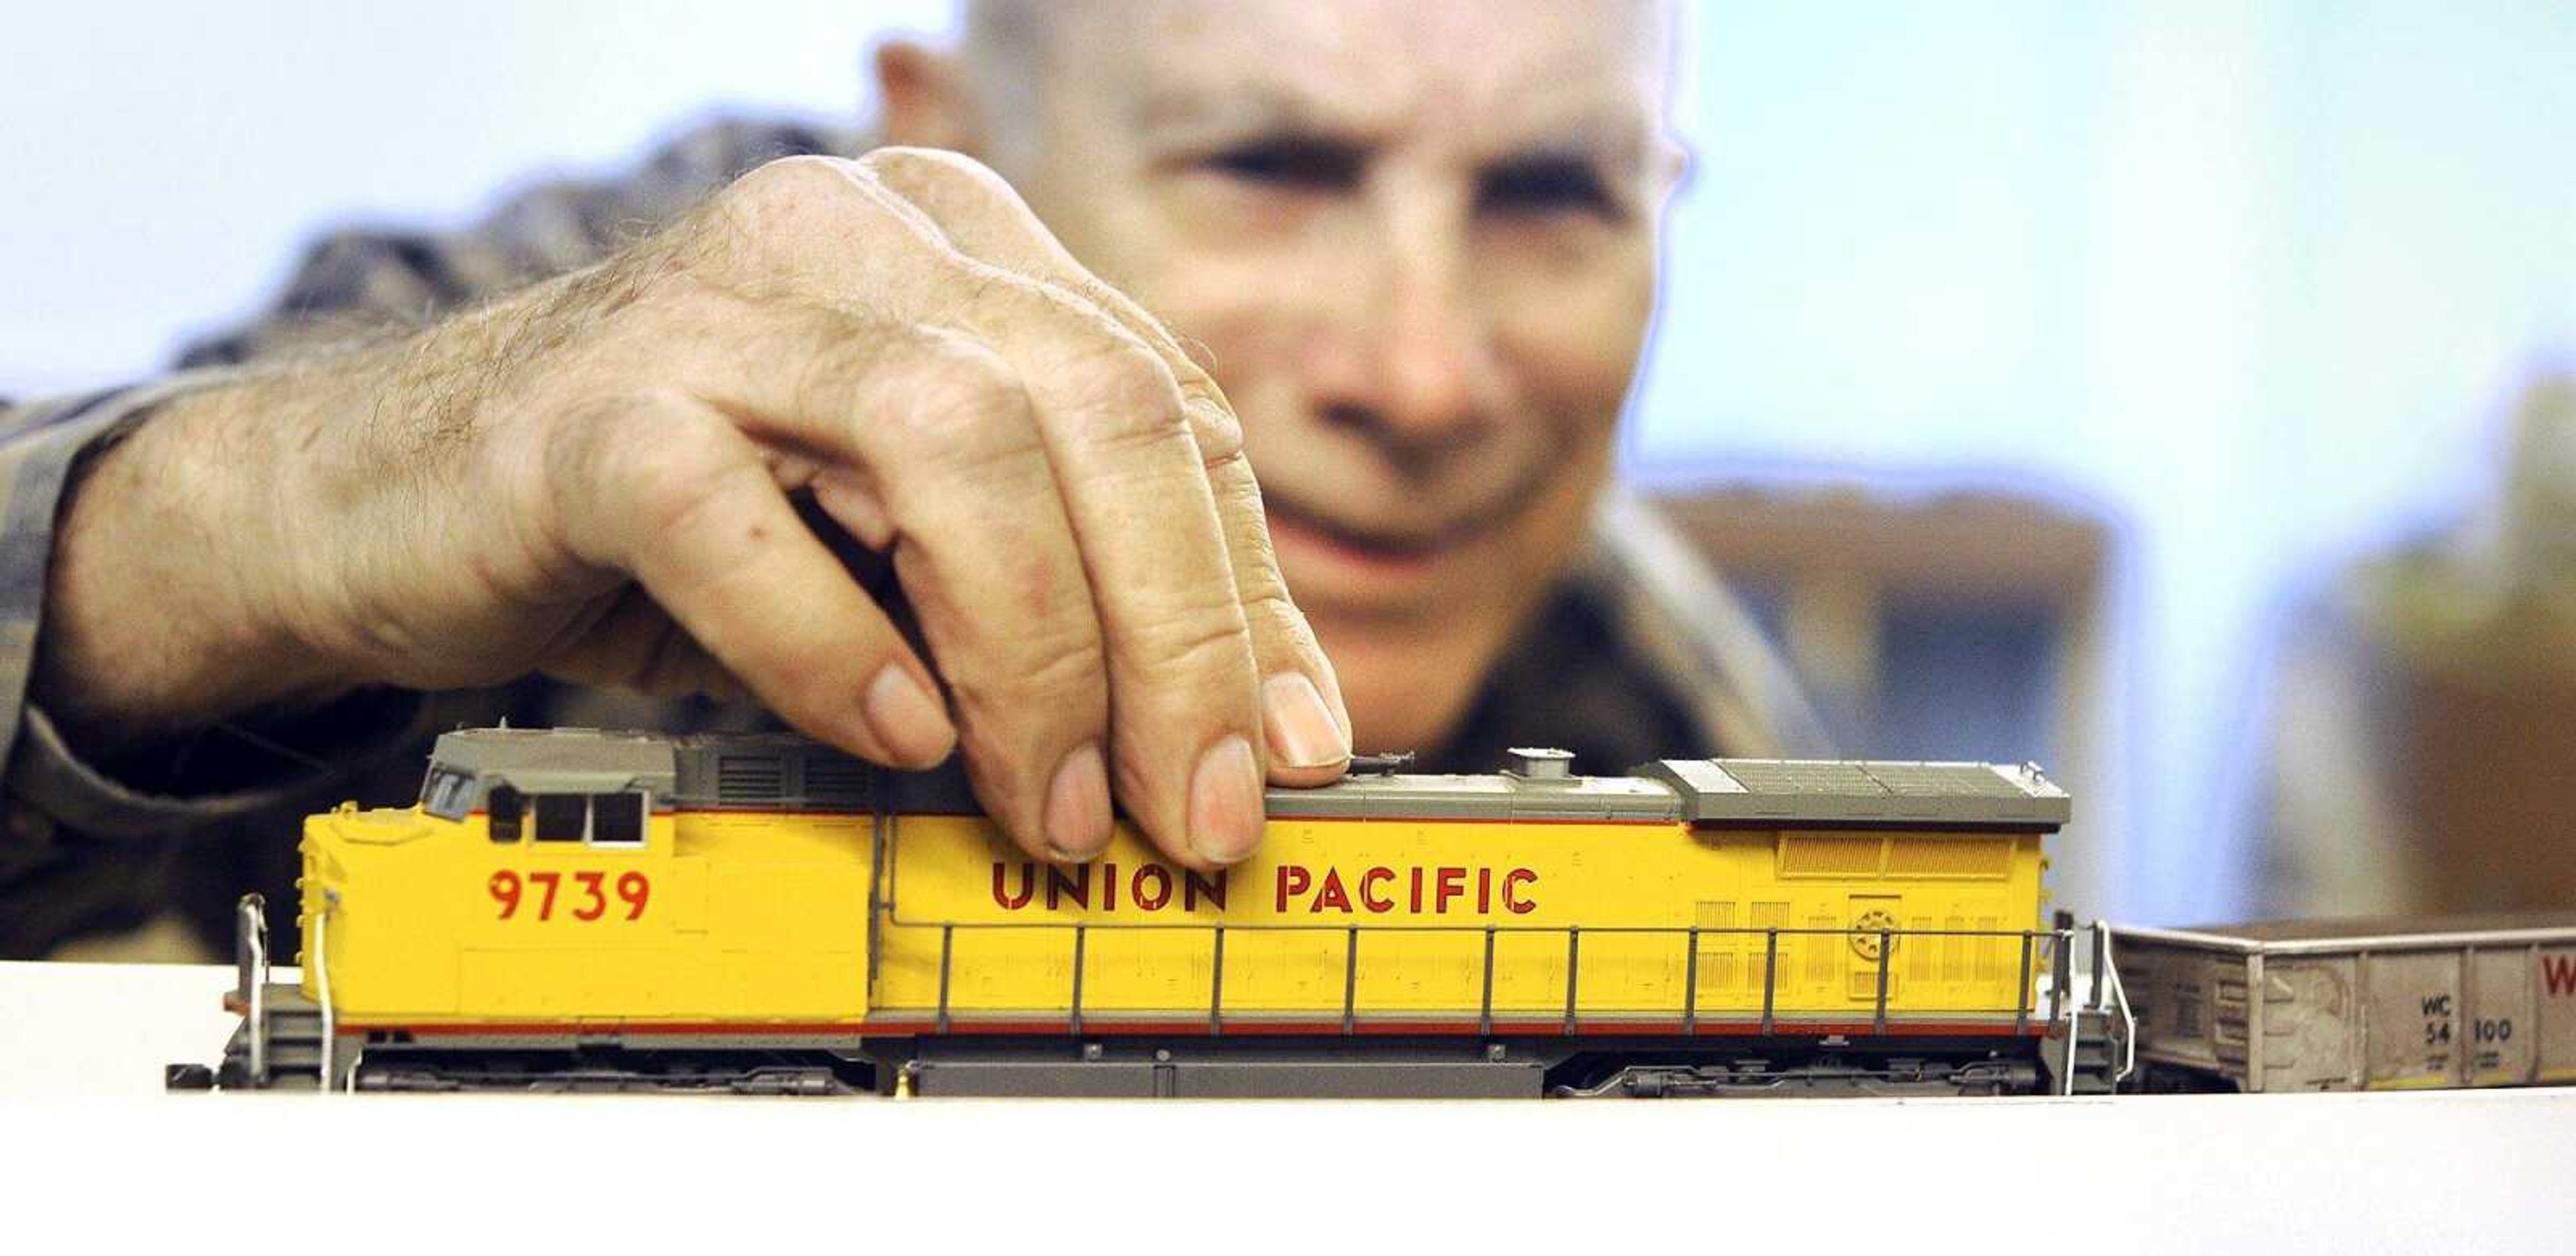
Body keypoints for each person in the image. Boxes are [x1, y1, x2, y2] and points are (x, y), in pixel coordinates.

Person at [0, 0, 1823, 960]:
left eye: (1554, 195)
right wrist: (240, 534)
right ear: (936, 133)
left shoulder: (1641, 688)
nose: (1426, 377)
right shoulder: (525, 395)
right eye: (1270, 164)